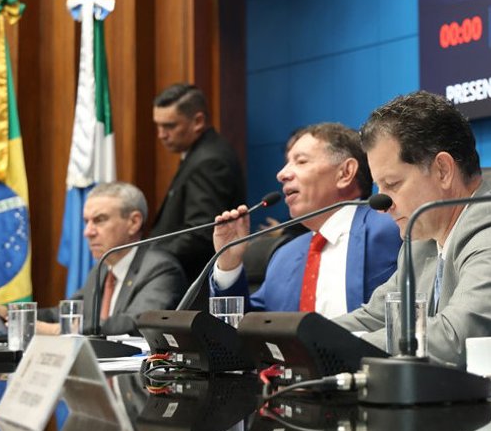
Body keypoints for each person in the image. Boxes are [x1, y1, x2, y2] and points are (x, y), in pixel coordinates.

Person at [333, 91, 491, 367]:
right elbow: (375, 317)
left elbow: (456, 339)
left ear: (443, 170)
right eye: (379, 187)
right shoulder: (421, 241)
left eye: (392, 184)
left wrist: (343, 348)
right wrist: (310, 337)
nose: (382, 205)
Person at [210, 123, 400, 316]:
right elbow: (250, 327)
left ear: (345, 173)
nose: (281, 174)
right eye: (287, 163)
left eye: (301, 161)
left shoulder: (394, 228)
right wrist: (229, 264)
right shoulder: (284, 257)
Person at [37, 182, 185, 336]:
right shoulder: (102, 269)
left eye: (100, 220)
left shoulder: (160, 269)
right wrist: (24, 315)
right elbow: (66, 312)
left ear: (134, 222)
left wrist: (59, 330)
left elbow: (136, 323)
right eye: (86, 222)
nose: (88, 232)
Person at [151, 83, 246, 283]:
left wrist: (150, 261)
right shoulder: (199, 154)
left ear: (198, 121)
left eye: (170, 126)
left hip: (193, 283)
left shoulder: (210, 160)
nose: (161, 135)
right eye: (158, 126)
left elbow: (200, 232)